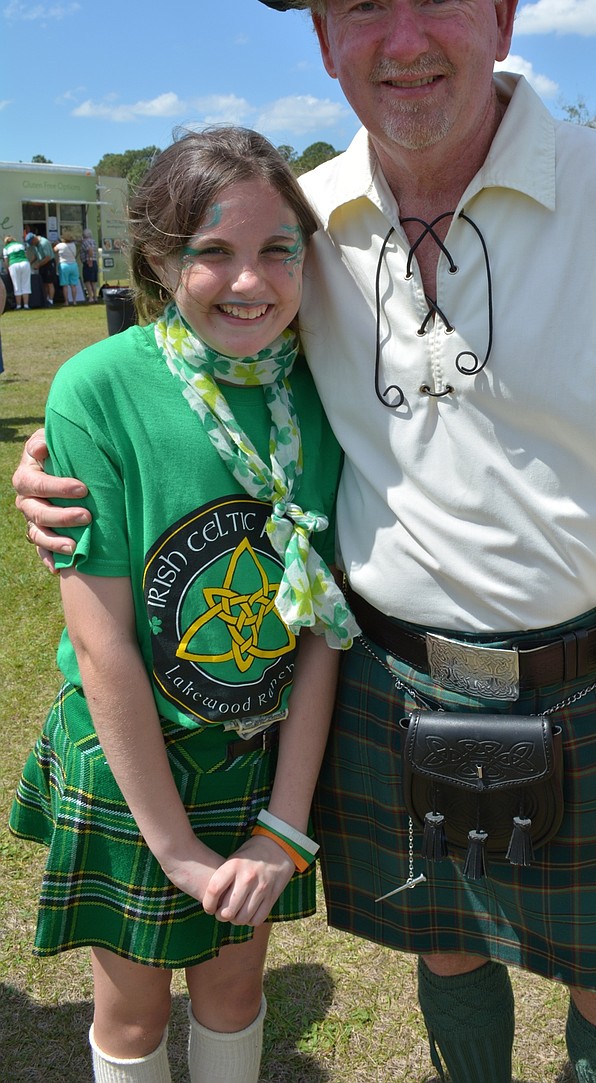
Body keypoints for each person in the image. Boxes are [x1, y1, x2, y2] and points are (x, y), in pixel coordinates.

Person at [13, 0, 596, 1083]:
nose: (404, 38)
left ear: (504, 7)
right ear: (322, 42)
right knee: (450, 956)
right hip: (393, 686)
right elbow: (198, 355)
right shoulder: (308, 222)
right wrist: (58, 448)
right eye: (362, 6)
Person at [9, 126, 358, 1083]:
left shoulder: (324, 391)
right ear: (159, 259)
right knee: (130, 1014)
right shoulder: (101, 387)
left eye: (277, 249)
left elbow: (323, 626)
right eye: (213, 251)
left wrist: (282, 826)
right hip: (137, 761)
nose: (250, 280)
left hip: (250, 755)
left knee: (235, 994)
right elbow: (101, 640)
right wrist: (173, 847)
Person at [27, 229, 58, 304]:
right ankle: (46, 299)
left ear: (34, 239)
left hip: (49, 263)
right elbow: (36, 255)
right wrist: (30, 262)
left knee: (49, 282)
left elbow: (47, 257)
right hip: (42, 263)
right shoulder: (35, 245)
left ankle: (51, 300)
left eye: (32, 243)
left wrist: (38, 265)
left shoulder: (44, 243)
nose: (32, 245)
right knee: (44, 282)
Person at [3, 233, 32, 308]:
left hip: (14, 264)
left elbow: (6, 261)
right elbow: (26, 256)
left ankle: (18, 305)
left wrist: (7, 270)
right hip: (25, 263)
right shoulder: (21, 244)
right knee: (26, 284)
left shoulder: (6, 248)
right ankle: (26, 305)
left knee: (17, 285)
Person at [54, 232, 81, 304]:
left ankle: (66, 301)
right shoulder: (73, 245)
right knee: (73, 285)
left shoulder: (60, 245)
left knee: (65, 285)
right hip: (74, 265)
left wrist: (56, 243)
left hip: (64, 265)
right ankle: (74, 301)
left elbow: (54, 250)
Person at [80, 227, 100, 302]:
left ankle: (91, 297)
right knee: (93, 281)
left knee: (87, 281)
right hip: (94, 262)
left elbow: (90, 250)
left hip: (88, 263)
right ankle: (95, 297)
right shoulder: (93, 241)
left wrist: (89, 260)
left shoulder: (85, 242)